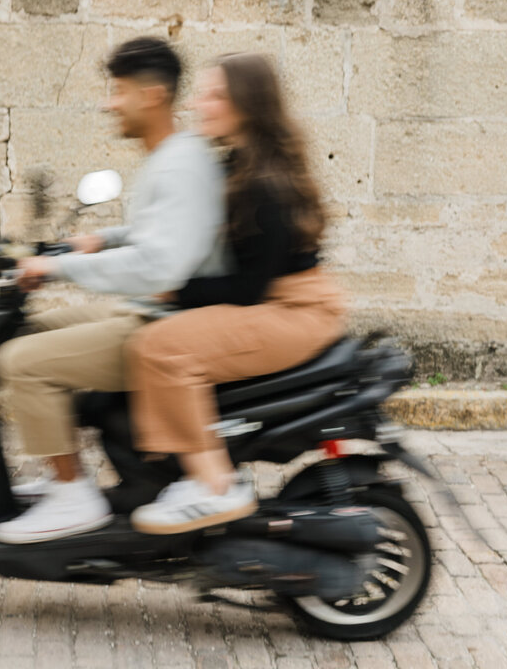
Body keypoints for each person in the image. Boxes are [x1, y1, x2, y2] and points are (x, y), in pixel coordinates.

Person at [0, 37, 227, 545]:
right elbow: (161, 234)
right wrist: (100, 239)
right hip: (143, 316)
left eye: (118, 91)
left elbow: (160, 265)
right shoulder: (171, 156)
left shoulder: (181, 164)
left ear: (153, 95)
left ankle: (75, 495)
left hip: (160, 329)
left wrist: (61, 269)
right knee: (27, 330)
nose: (108, 103)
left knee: (21, 362)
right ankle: (62, 471)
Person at [125, 52, 347, 536]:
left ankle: (214, 483)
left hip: (294, 310)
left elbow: (248, 287)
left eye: (215, 94)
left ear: (248, 104)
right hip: (276, 302)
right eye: (203, 92)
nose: (200, 103)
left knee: (163, 348)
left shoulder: (265, 183)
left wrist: (174, 293)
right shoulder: (239, 162)